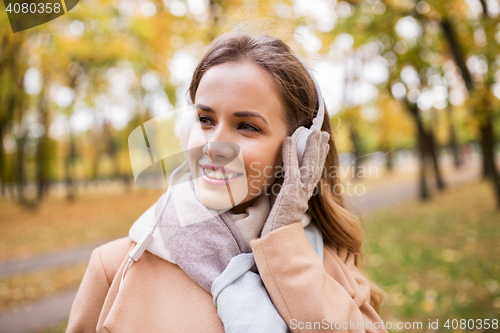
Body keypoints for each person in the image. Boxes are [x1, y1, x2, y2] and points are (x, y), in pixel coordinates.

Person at [67, 30, 388, 333]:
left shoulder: (329, 258)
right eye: (205, 120)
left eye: (247, 126)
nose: (213, 147)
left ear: (300, 151)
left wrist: (285, 241)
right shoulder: (115, 268)